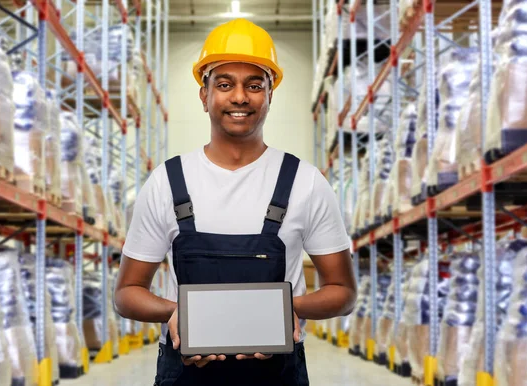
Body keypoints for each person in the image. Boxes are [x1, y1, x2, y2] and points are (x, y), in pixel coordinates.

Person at [114, 18, 357, 386]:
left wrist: (280, 312)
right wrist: (179, 314)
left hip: (278, 374)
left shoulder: (304, 182)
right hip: (185, 373)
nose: (240, 97)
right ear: (204, 95)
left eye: (255, 85)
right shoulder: (167, 181)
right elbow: (127, 293)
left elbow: (344, 292)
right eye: (224, 84)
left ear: (270, 95)